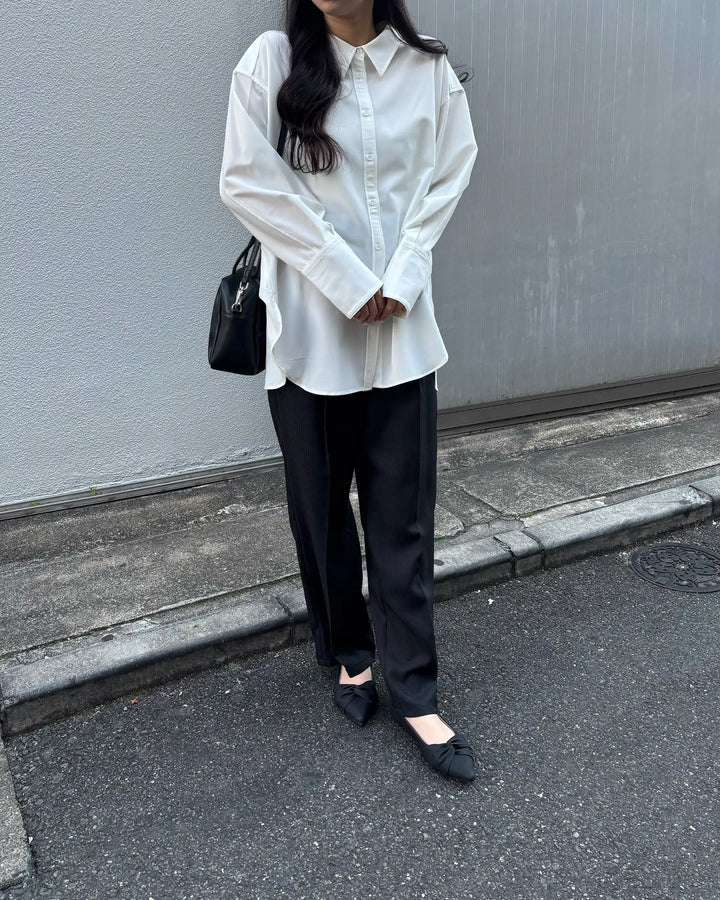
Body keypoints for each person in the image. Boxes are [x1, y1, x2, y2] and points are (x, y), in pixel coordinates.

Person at [219, 0, 479, 782]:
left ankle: (416, 691)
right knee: (322, 512)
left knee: (405, 520)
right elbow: (247, 180)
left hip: (402, 332)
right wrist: (344, 278)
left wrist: (402, 275)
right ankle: (349, 654)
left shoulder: (427, 70)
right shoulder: (271, 61)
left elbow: (447, 175)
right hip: (310, 336)